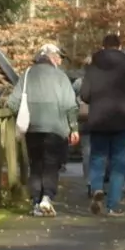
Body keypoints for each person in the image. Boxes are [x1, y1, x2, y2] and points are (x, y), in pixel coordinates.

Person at [76, 32, 125, 215]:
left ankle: (96, 187)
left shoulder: (93, 67)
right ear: (120, 47)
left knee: (97, 157)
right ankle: (113, 205)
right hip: (122, 118)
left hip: (98, 118)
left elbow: (84, 95)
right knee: (119, 162)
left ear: (103, 46)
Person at [15, 44, 78, 215]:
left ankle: (36, 201)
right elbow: (70, 104)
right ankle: (47, 197)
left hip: (33, 128)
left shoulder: (27, 75)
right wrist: (74, 127)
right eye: (58, 57)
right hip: (56, 128)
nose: (59, 61)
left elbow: (13, 102)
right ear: (51, 58)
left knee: (36, 164)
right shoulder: (61, 77)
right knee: (51, 164)